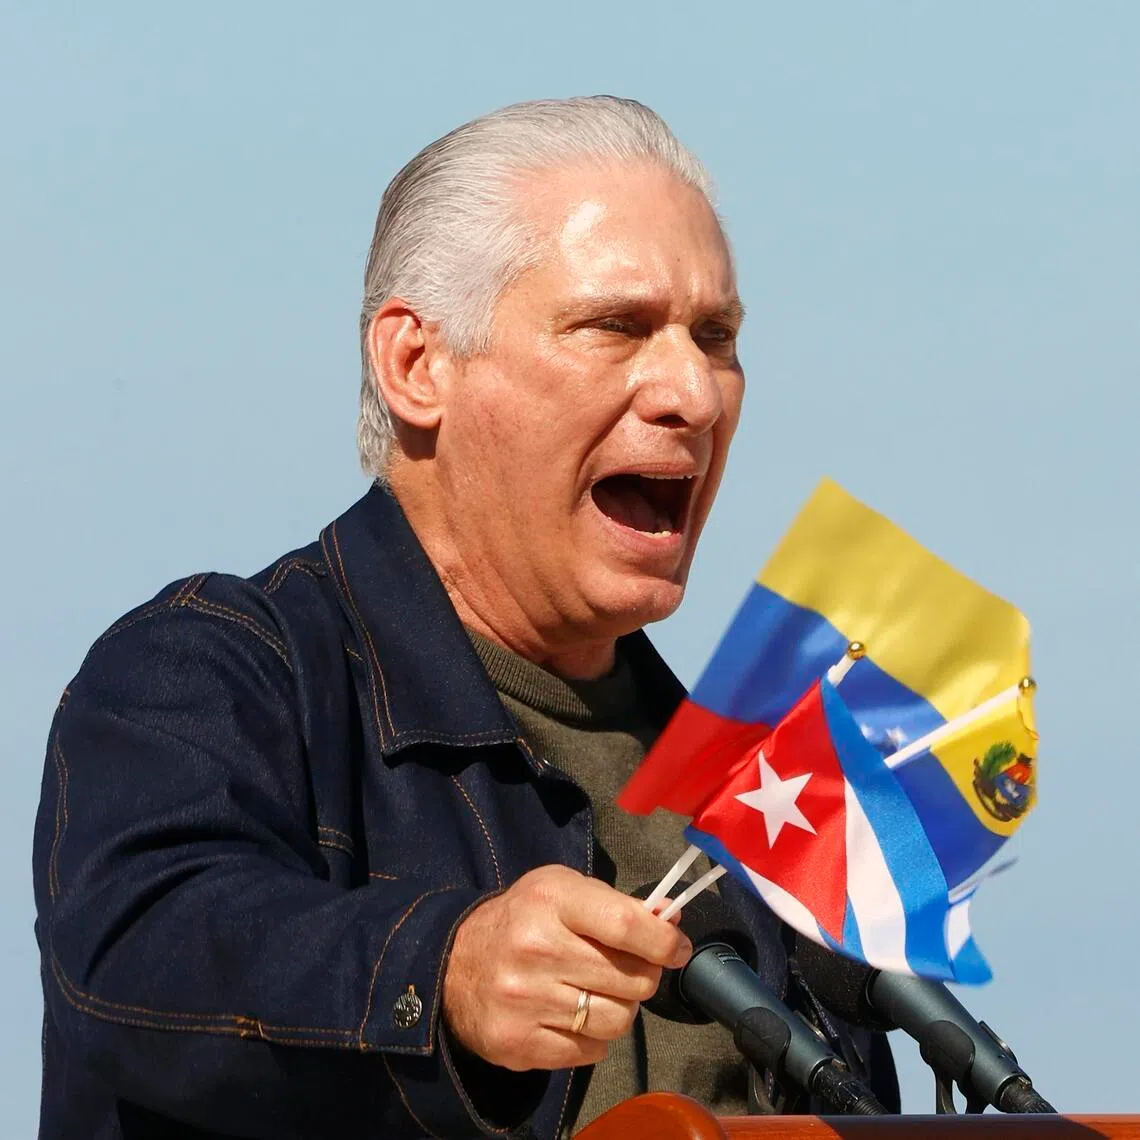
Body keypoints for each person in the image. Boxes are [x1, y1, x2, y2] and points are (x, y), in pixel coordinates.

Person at [33, 97, 898, 1138]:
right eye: (615, 327)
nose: (695, 395)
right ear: (416, 366)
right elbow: (138, 953)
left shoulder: (758, 786)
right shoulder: (214, 675)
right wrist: (444, 970)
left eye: (715, 338)